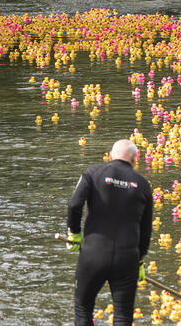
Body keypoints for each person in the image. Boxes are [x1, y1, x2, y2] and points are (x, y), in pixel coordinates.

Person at [66, 139, 152, 326]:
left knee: (83, 310)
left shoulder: (93, 173)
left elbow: (74, 205)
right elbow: (146, 230)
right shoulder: (143, 184)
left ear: (110, 156)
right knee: (122, 316)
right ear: (135, 160)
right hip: (127, 257)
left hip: (93, 254)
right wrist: (140, 260)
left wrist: (74, 232)